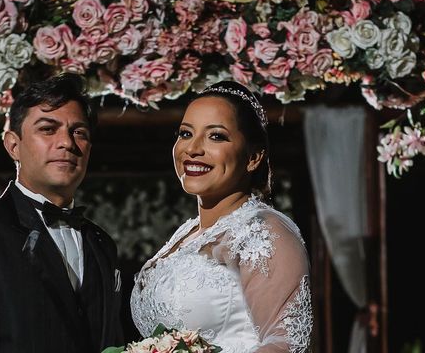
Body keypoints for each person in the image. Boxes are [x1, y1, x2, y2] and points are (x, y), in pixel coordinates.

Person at [0, 73, 123, 353]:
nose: (67, 142)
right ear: (13, 145)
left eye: (79, 132)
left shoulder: (102, 243)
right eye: (48, 129)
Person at [130, 81, 312, 352]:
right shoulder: (187, 233)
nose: (193, 149)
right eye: (185, 133)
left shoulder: (261, 232)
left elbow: (289, 345)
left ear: (253, 156)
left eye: (216, 136)